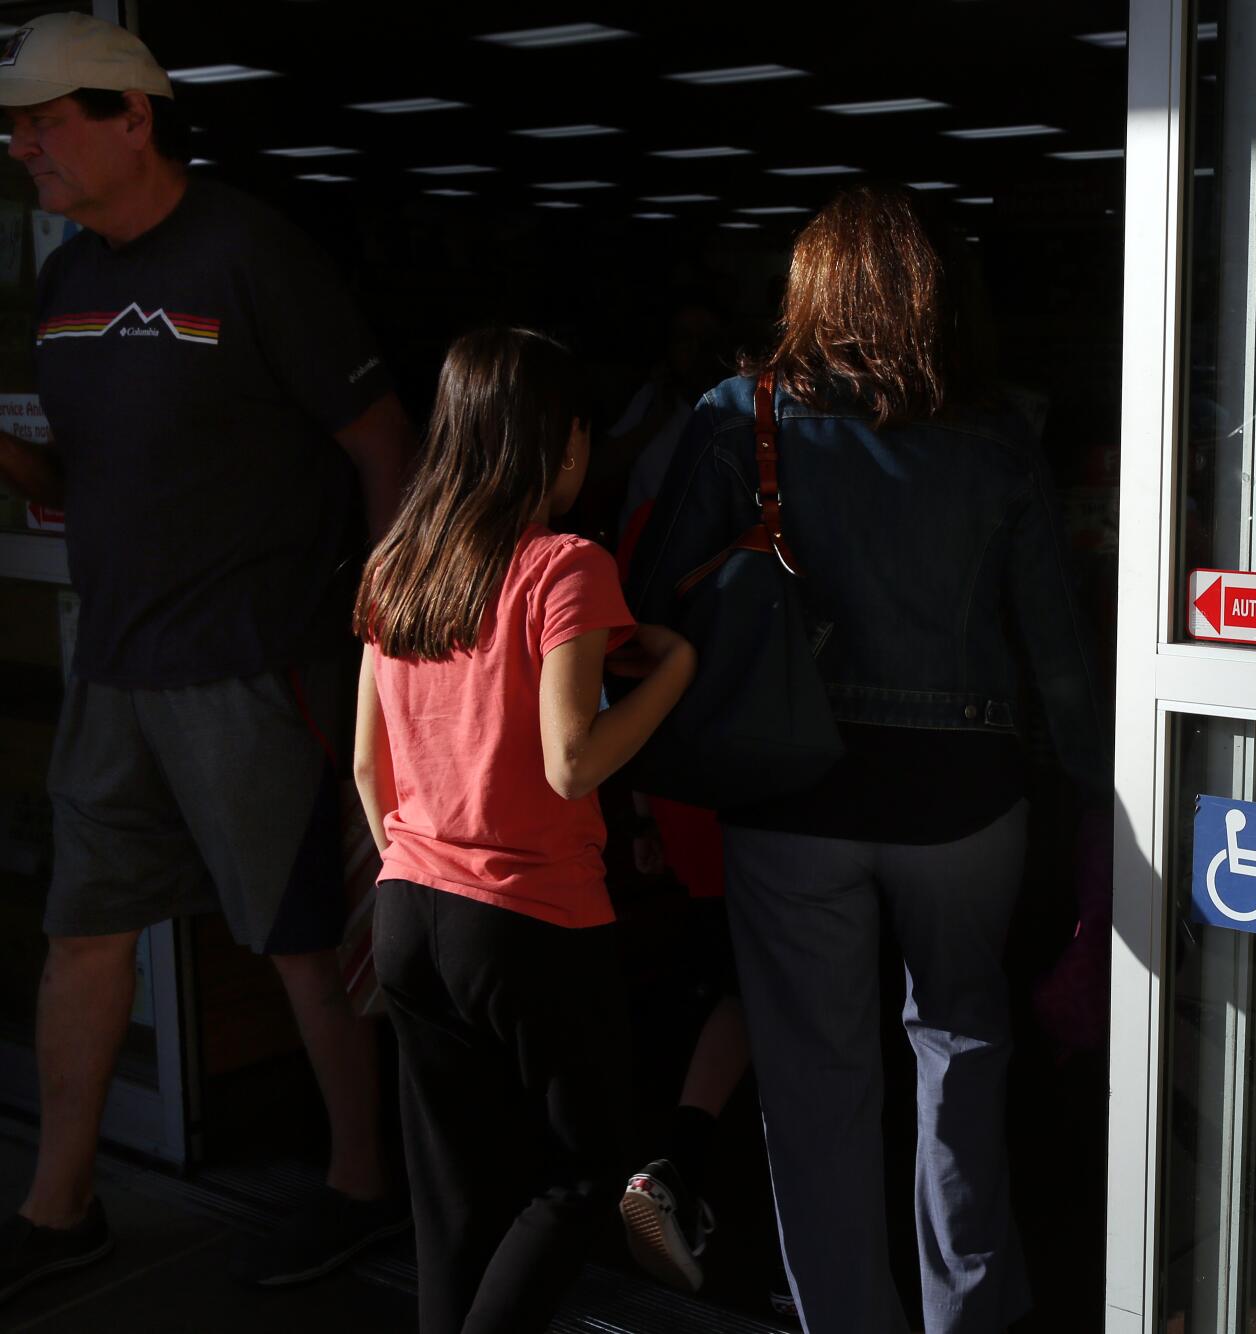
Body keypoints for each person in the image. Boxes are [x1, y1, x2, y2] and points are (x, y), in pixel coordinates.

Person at [629, 186, 1106, 1334]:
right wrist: (1102, 808)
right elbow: (1058, 654)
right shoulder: (997, 439)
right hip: (963, 800)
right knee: (962, 1047)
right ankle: (972, 1307)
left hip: (789, 793)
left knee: (811, 1081)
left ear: (809, 291)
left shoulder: (734, 418)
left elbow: (647, 610)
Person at [0, 13, 417, 1303]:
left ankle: (363, 1186)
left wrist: (392, 634)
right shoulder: (66, 281)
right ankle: (59, 1211)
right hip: (114, 664)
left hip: (253, 660)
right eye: (14, 126)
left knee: (300, 939)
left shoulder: (247, 253)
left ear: (135, 115)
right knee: (83, 933)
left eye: (48, 118)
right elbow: (84, 483)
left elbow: (381, 443)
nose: (24, 146)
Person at [353, 326, 696, 1334]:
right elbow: (572, 760)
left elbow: (369, 764)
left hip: (407, 910)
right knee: (584, 1172)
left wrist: (414, 862)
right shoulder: (565, 565)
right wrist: (673, 671)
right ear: (562, 442)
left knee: (453, 1197)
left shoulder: (397, 562)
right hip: (529, 918)